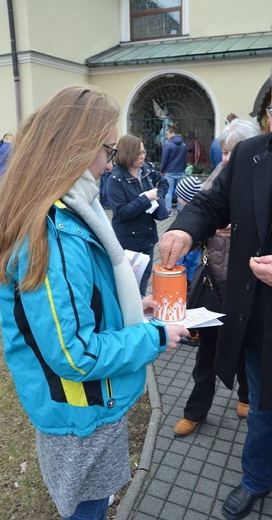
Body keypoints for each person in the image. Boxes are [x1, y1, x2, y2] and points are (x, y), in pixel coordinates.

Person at [0, 85, 189, 520]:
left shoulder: (65, 212)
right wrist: (153, 337)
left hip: (85, 408)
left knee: (90, 505)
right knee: (86, 511)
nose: (110, 162)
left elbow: (79, 304)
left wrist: (132, 308)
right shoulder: (55, 233)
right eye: (107, 148)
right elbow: (75, 354)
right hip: (82, 413)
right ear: (77, 147)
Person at [159, 37, 272, 520]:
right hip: (260, 322)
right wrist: (184, 229)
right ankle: (255, 481)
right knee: (261, 412)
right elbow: (208, 203)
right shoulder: (249, 155)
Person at [173, 119, 261, 438]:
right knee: (206, 354)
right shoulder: (213, 182)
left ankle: (246, 396)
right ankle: (195, 412)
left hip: (247, 289)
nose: (226, 158)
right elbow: (198, 221)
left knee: (244, 350)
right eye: (223, 151)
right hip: (212, 285)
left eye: (233, 151)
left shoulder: (263, 185)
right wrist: (193, 232)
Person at [106, 135, 169, 297]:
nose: (143, 156)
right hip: (129, 240)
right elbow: (121, 213)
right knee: (130, 283)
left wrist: (158, 196)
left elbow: (164, 183)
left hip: (147, 236)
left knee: (144, 277)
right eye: (139, 153)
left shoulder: (146, 169)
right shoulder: (115, 179)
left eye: (143, 152)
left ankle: (140, 313)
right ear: (128, 153)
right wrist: (146, 198)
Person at [160, 124, 187, 215]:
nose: (167, 136)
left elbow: (164, 160)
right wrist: (183, 168)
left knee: (168, 192)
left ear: (172, 133)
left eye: (168, 134)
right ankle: (180, 210)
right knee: (181, 192)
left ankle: (168, 210)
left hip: (169, 172)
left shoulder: (168, 146)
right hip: (180, 171)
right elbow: (185, 159)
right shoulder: (183, 145)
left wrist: (162, 170)